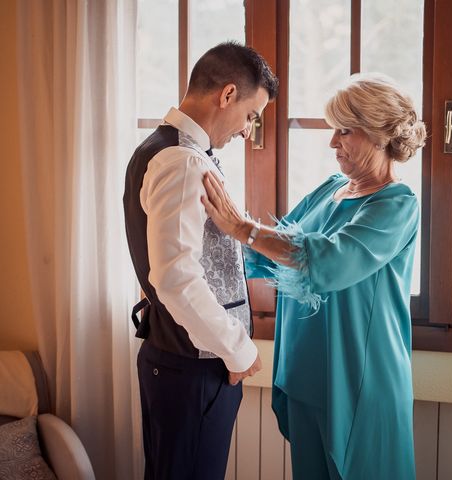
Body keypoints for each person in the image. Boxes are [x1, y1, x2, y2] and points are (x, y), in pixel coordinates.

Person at [201, 74, 426, 480]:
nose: (332, 142)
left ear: (377, 135)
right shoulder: (331, 189)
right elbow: (269, 254)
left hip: (359, 381)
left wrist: (243, 228)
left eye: (344, 131)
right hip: (305, 376)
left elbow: (329, 263)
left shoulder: (396, 204)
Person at [123, 41, 278, 480]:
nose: (248, 130)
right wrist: (237, 348)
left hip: (179, 361)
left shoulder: (161, 148)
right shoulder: (183, 161)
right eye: (251, 115)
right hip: (193, 367)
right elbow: (175, 278)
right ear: (227, 94)